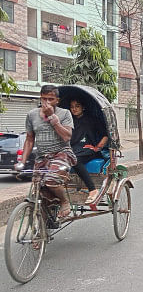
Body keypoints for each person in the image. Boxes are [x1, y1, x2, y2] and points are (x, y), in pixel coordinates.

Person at [18, 85, 76, 218]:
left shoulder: (64, 113)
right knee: (39, 189)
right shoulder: (32, 115)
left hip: (62, 153)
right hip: (42, 157)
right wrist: (22, 161)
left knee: (51, 180)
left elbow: (67, 136)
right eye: (44, 99)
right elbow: (29, 140)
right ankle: (41, 232)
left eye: (51, 99)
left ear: (57, 100)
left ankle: (64, 201)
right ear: (40, 98)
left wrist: (52, 118)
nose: (47, 102)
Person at [69, 99, 108, 204]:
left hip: (88, 149)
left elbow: (105, 135)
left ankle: (92, 189)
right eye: (72, 107)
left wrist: (97, 147)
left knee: (75, 160)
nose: (74, 109)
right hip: (72, 149)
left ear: (83, 107)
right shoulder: (69, 120)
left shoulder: (92, 120)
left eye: (77, 106)